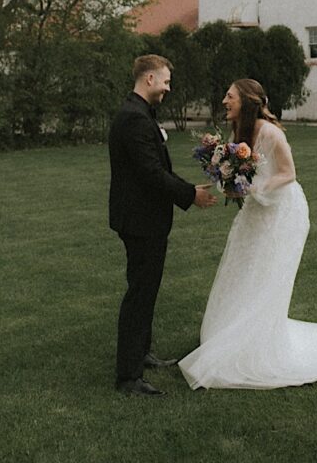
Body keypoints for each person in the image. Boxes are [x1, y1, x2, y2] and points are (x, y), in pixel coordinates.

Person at [178, 79, 317, 389]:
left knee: (266, 274)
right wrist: (229, 181)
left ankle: (258, 341)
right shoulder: (237, 134)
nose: (223, 101)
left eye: (229, 96)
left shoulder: (270, 132)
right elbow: (241, 171)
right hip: (256, 212)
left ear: (246, 101)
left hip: (283, 213)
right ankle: (231, 332)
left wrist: (254, 187)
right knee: (242, 268)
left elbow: (288, 173)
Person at [109, 54, 217, 397]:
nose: (169, 87)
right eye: (166, 81)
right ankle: (128, 377)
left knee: (146, 288)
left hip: (143, 218)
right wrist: (190, 195)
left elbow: (156, 169)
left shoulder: (139, 114)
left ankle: (142, 352)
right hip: (140, 221)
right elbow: (151, 174)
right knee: (140, 294)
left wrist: (186, 190)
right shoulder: (134, 119)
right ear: (150, 79)